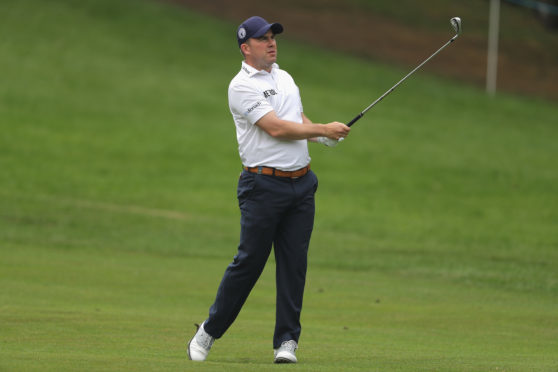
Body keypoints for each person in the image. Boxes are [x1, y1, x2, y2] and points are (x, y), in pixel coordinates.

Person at [187, 15, 350, 364]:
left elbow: (297, 119)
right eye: (263, 39)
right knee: (249, 263)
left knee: (294, 265)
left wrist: (322, 135)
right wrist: (321, 128)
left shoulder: (285, 77)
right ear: (246, 48)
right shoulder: (240, 86)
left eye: (273, 36)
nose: (272, 42)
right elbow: (275, 128)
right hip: (262, 186)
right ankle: (209, 330)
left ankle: (286, 342)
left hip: (301, 185)